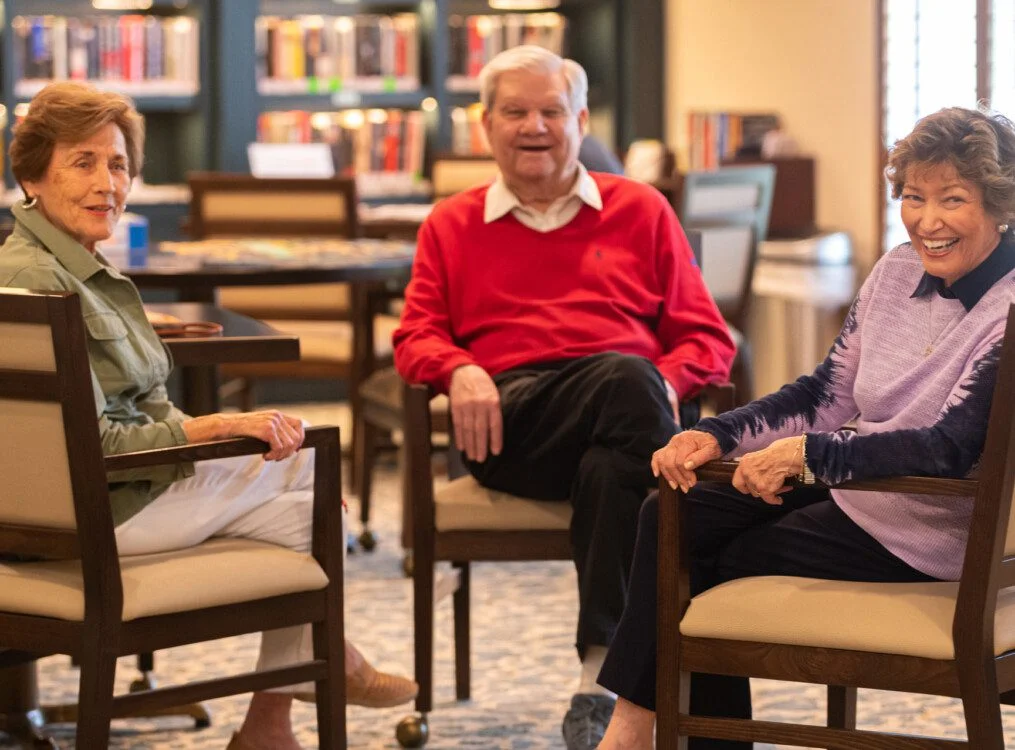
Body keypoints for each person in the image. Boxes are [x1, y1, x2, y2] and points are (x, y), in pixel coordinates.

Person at [0, 82, 417, 750]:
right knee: (310, 479)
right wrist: (212, 429)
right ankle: (316, 674)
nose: (108, 182)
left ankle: (271, 720)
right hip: (94, 512)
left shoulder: (73, 270)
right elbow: (92, 446)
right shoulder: (41, 283)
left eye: (118, 164)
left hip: (96, 502)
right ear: (31, 176)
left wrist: (209, 435)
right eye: (83, 162)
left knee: (306, 509)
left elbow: (132, 409)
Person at [596, 105, 1015, 750]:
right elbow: (828, 391)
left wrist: (811, 457)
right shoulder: (897, 270)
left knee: (699, 565)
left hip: (930, 526)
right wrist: (720, 434)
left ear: (1000, 205)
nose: (927, 221)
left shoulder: (1009, 305)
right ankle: (637, 726)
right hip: (859, 489)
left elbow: (950, 449)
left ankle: (634, 732)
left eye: (952, 200)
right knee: (674, 510)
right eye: (913, 197)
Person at [392, 46, 735, 750]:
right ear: (486, 125)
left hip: (628, 422)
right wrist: (458, 368)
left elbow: (706, 338)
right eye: (515, 112)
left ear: (580, 121)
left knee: (612, 465)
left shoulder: (640, 210)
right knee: (629, 385)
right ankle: (689, 664)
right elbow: (414, 335)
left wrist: (662, 384)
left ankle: (601, 686)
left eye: (551, 110)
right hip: (513, 425)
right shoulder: (451, 223)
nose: (534, 126)